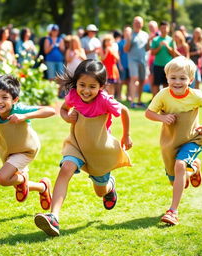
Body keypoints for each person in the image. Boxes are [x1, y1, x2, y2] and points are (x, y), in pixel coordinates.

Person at [34, 59, 132, 236]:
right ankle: (53, 217)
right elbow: (63, 109)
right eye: (82, 85)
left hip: (99, 150)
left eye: (92, 86)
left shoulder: (104, 101)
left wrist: (126, 135)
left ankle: (109, 187)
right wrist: (66, 117)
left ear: (101, 87)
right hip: (77, 144)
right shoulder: (73, 95)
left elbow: (124, 110)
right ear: (76, 82)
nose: (86, 90)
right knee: (65, 169)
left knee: (100, 191)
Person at [145, 56, 202, 225]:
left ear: (190, 80)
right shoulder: (163, 95)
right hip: (170, 143)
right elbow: (149, 113)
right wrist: (163, 117)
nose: (177, 82)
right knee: (176, 180)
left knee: (180, 165)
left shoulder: (195, 95)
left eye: (182, 78)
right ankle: (194, 168)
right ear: (166, 78)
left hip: (192, 139)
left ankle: (173, 211)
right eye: (173, 78)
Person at [0, 75, 56, 210]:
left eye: (4, 97)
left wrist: (24, 116)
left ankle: (22, 180)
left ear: (15, 100)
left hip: (26, 149)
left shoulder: (18, 109)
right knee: (13, 181)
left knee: (2, 178)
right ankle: (43, 187)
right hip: (8, 151)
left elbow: (50, 110)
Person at [124, 16, 149, 108]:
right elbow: (126, 49)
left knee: (142, 80)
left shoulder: (145, 34)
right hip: (133, 60)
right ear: (133, 24)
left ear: (142, 24)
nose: (137, 24)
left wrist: (149, 41)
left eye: (139, 22)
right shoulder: (130, 35)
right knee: (134, 78)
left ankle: (139, 101)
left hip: (143, 60)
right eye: (136, 22)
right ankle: (132, 101)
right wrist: (129, 40)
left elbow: (147, 49)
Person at [150, 21, 176, 97]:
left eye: (165, 28)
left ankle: (166, 101)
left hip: (168, 66)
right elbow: (152, 53)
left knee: (167, 84)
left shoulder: (171, 40)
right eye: (162, 28)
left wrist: (168, 46)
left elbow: (173, 53)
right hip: (157, 65)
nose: (164, 29)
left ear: (168, 29)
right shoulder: (155, 40)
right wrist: (159, 47)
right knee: (156, 84)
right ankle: (155, 100)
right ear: (160, 29)